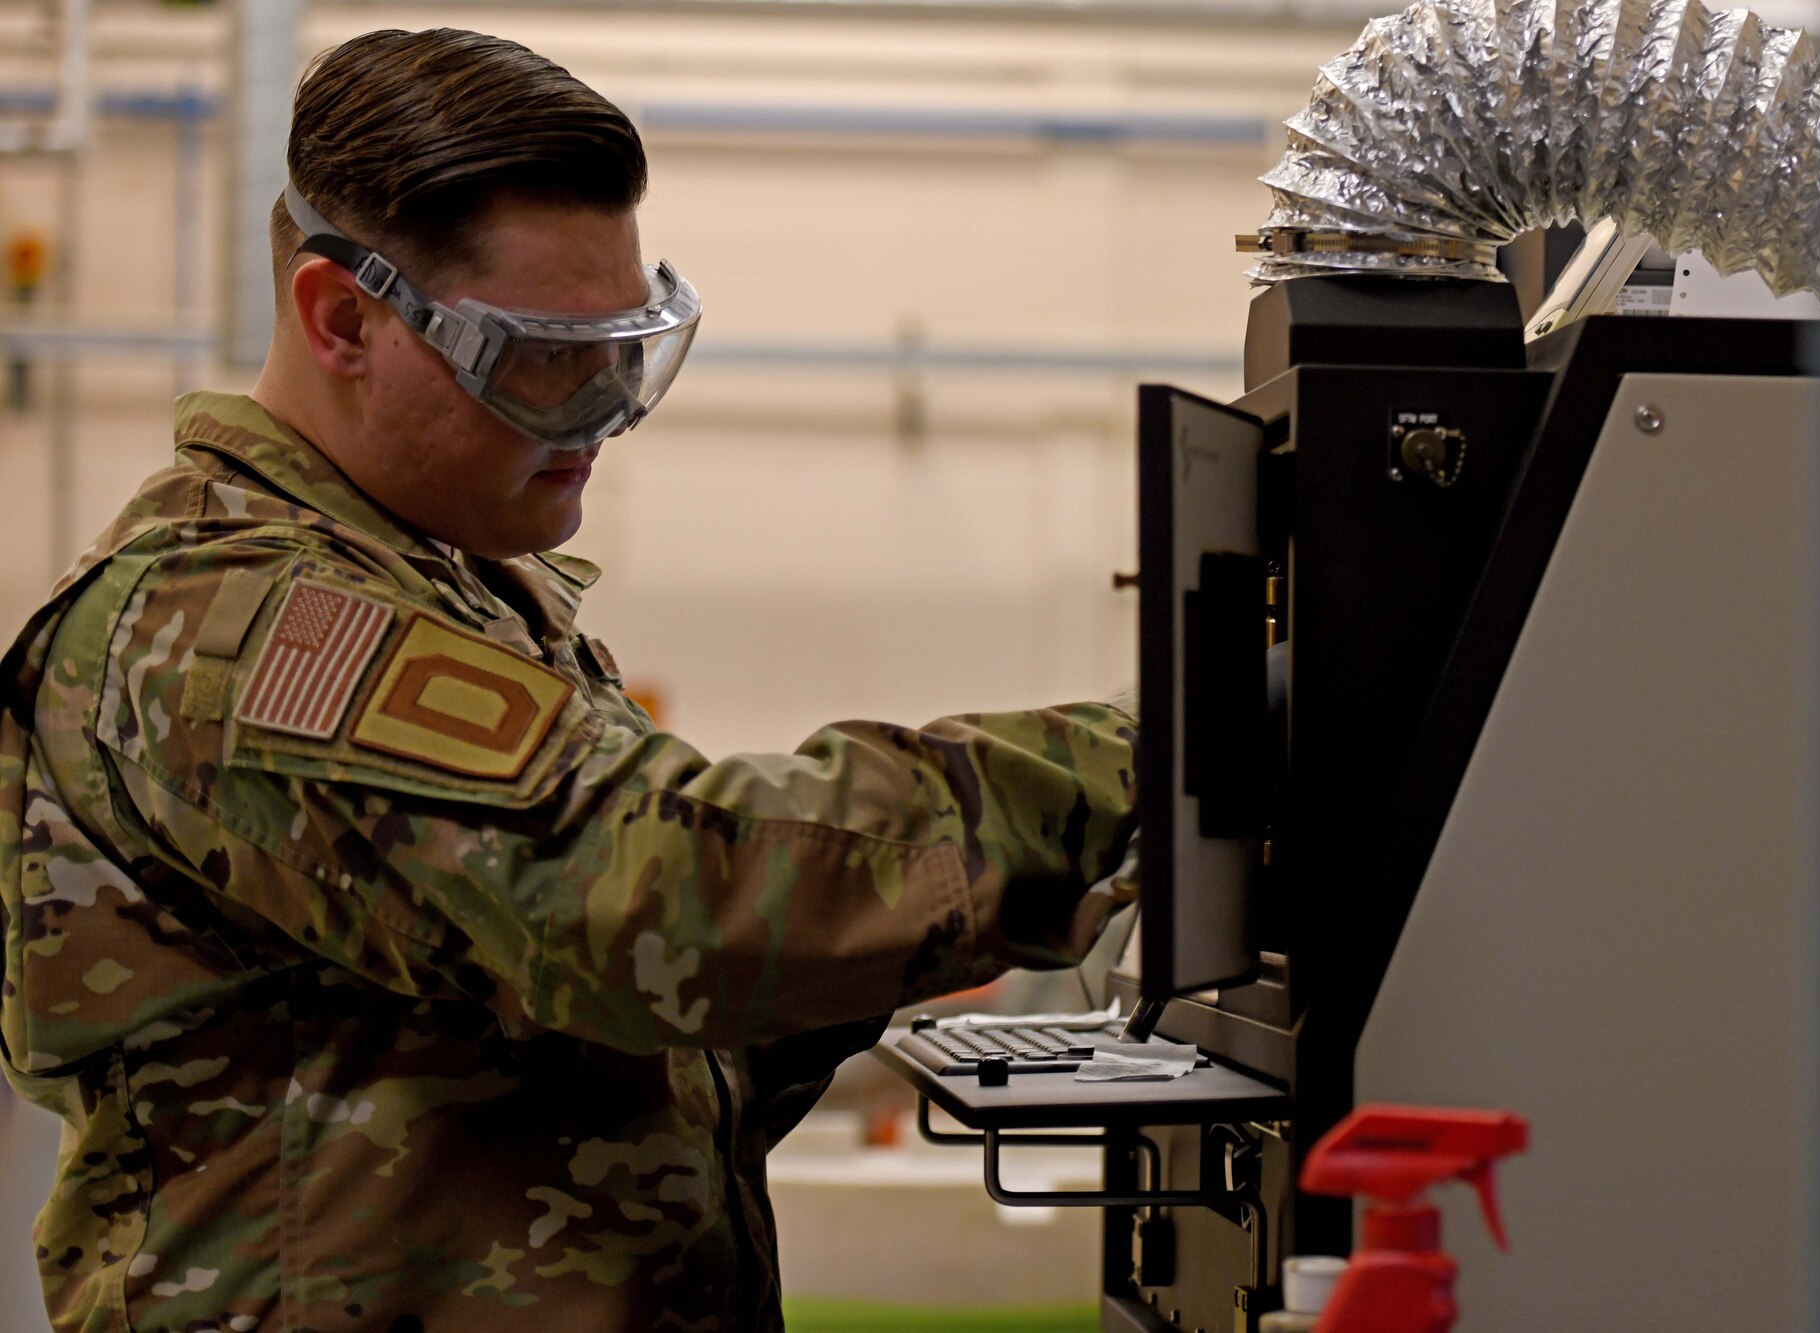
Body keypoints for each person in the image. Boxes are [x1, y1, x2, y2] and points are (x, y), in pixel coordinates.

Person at [0, 29, 1137, 1333]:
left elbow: (604, 1028)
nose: (598, 412)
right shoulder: (236, 631)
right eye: (540, 357)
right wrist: (1170, 750)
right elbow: (663, 895)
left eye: (627, 351)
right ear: (343, 319)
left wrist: (890, 952)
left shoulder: (449, 584)